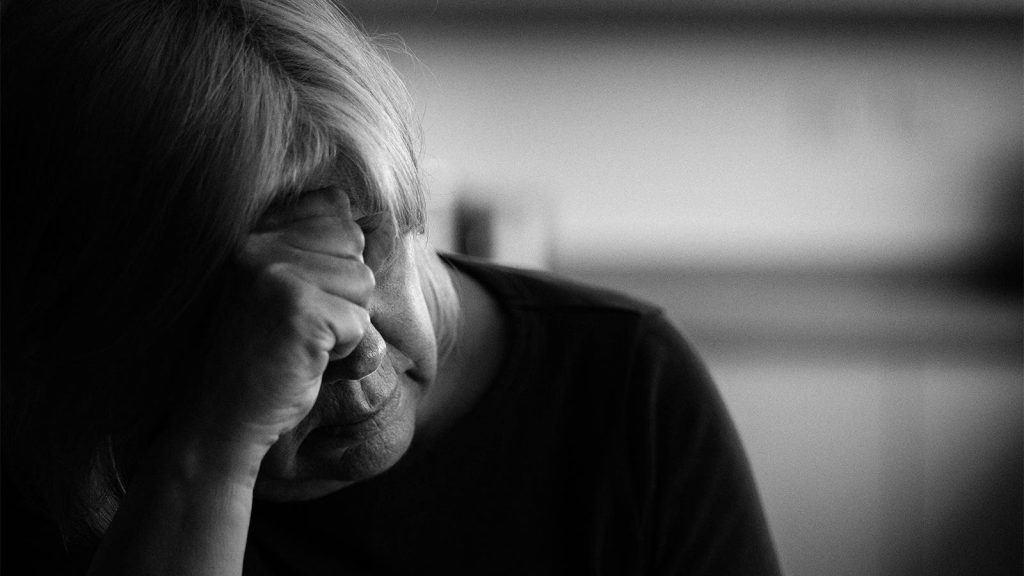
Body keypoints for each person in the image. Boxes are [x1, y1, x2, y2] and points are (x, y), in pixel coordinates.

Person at [1, 1, 781, 574]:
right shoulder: (61, 446)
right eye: (250, 303)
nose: (354, 345)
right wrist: (213, 453)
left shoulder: (625, 383)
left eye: (368, 239)